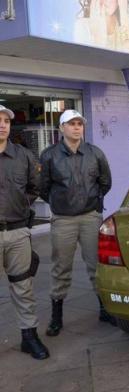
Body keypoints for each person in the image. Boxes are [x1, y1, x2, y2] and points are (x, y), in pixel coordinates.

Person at [40, 109, 114, 337]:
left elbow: (105, 182)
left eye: (79, 123)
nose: (76, 127)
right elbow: (43, 188)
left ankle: (105, 309)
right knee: (61, 267)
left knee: (96, 266)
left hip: (90, 217)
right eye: (71, 123)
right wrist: (58, 203)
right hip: (63, 220)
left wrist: (93, 202)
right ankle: (56, 316)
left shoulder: (95, 153)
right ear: (62, 128)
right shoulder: (49, 155)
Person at [0, 105, 49, 359]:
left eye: (6, 120)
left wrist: (19, 204)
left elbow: (34, 187)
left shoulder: (24, 156)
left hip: (18, 233)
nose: (3, 124)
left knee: (23, 286)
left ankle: (29, 336)